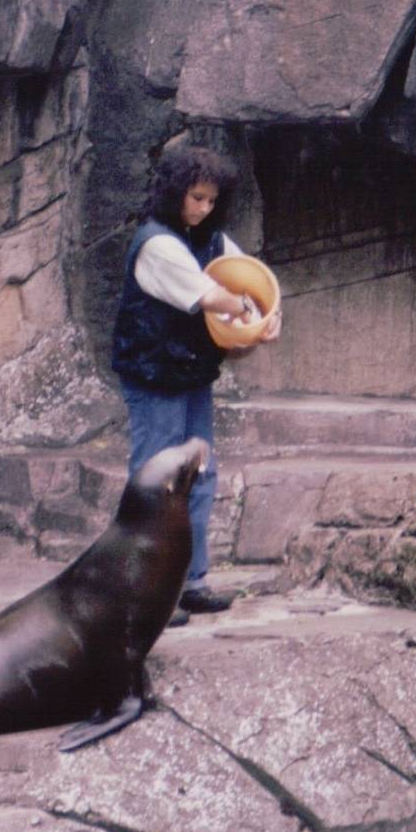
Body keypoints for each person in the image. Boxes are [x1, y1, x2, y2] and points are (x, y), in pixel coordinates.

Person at [111, 143, 281, 623]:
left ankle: (191, 582)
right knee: (157, 480)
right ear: (174, 192)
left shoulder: (212, 240)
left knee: (200, 476)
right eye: (196, 198)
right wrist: (250, 312)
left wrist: (271, 316)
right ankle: (145, 590)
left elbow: (256, 282)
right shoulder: (158, 244)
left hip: (191, 376)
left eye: (211, 199)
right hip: (153, 377)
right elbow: (217, 298)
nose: (204, 208)